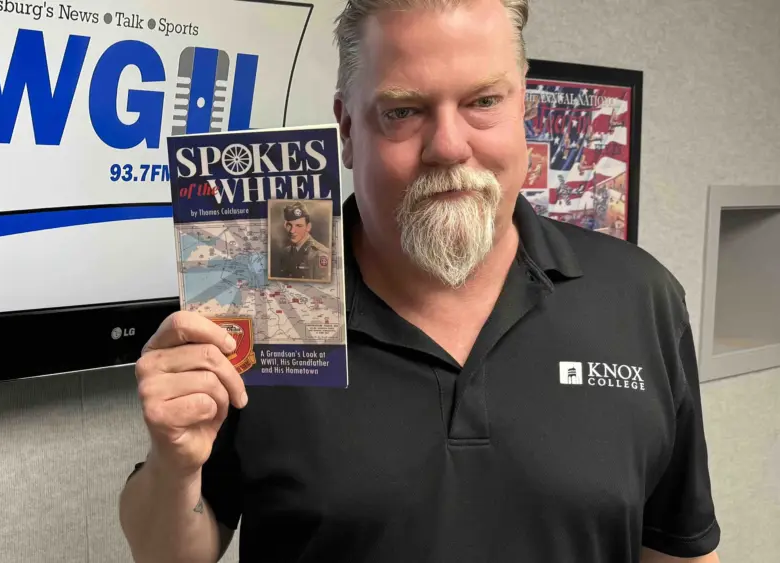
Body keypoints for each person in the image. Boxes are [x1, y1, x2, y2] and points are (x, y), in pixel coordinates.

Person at [119, 1, 721, 562]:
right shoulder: (260, 297)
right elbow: (174, 552)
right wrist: (173, 466)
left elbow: (676, 545)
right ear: (347, 128)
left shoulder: (641, 297)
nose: (450, 146)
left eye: (483, 101)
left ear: (522, 106)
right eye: (403, 111)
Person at [272, 202, 331, 281]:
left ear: (308, 227)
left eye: (299, 226)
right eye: (289, 225)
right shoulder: (286, 252)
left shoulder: (320, 254)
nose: (292, 231)